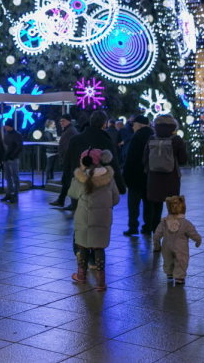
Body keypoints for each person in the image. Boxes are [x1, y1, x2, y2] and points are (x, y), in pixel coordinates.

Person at [69, 148, 120, 291]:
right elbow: (115, 198)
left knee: (83, 246)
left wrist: (77, 175)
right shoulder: (108, 177)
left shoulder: (81, 178)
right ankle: (101, 282)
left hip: (84, 219)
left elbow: (72, 193)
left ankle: (81, 275)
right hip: (103, 219)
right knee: (99, 248)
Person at [60, 110, 122, 212]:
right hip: (99, 185)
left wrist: (66, 181)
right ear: (104, 124)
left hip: (79, 181)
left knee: (79, 217)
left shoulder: (76, 139)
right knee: (97, 216)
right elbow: (113, 163)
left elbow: (68, 162)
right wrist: (120, 185)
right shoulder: (105, 141)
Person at [143, 115, 188, 235]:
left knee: (155, 209)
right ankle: (173, 235)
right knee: (173, 208)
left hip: (154, 178)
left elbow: (144, 159)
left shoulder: (151, 138)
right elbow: (183, 160)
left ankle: (156, 237)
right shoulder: (176, 140)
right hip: (172, 178)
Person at [152, 195, 201, 285]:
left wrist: (156, 243)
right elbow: (193, 233)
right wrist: (198, 240)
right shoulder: (186, 223)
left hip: (166, 245)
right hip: (181, 247)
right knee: (181, 260)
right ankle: (179, 277)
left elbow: (157, 234)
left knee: (168, 260)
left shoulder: (164, 222)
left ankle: (169, 273)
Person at [121, 114, 153, 236]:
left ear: (138, 125)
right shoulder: (152, 135)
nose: (132, 127)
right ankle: (147, 226)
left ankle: (133, 227)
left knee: (133, 204)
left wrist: (126, 175)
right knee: (148, 204)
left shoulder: (137, 136)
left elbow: (131, 158)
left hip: (135, 177)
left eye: (133, 124)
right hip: (149, 176)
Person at [50, 115, 78, 207]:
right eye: (61, 121)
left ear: (68, 121)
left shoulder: (70, 131)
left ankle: (71, 202)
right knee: (66, 181)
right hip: (69, 160)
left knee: (68, 181)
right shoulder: (69, 130)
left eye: (63, 121)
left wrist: (63, 159)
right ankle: (63, 200)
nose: (61, 123)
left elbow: (66, 148)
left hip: (69, 161)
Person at [1, 121, 23, 203]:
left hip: (13, 159)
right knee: (8, 177)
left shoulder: (17, 135)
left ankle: (14, 194)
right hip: (7, 159)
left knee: (14, 177)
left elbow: (19, 147)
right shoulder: (7, 135)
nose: (5, 128)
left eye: (6, 126)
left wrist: (12, 156)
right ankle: (9, 193)